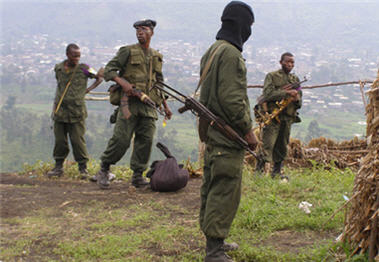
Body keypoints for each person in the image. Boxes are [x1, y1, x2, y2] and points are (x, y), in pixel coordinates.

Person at [198, 2, 257, 261]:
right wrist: (248, 130)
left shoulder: (213, 50)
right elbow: (233, 100)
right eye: (249, 26)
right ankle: (214, 251)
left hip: (212, 134)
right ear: (240, 24)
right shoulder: (231, 54)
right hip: (227, 136)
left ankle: (215, 240)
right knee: (225, 189)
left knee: (212, 186)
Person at [95, 19, 172, 189]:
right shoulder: (127, 51)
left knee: (145, 140)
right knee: (121, 139)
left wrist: (165, 106)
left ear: (152, 32)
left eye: (144, 29)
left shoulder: (156, 56)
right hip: (129, 104)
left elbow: (159, 82)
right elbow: (108, 70)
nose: (140, 32)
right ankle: (104, 169)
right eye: (137, 29)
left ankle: (138, 175)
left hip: (149, 104)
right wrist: (123, 83)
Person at [47, 43, 103, 179]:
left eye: (78, 56)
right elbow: (59, 85)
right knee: (60, 140)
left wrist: (88, 90)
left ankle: (82, 168)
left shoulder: (84, 69)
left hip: (76, 111)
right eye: (74, 56)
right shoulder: (59, 68)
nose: (76, 59)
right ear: (67, 55)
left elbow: (99, 78)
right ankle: (58, 167)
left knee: (77, 140)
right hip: (60, 110)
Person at [255, 52, 302, 179]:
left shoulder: (295, 80)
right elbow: (268, 94)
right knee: (267, 144)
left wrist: (296, 98)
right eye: (287, 62)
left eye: (292, 62)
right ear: (281, 62)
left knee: (282, 145)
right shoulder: (272, 76)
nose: (290, 64)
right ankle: (258, 172)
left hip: (287, 118)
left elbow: (299, 103)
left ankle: (276, 172)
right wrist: (286, 93)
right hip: (272, 117)